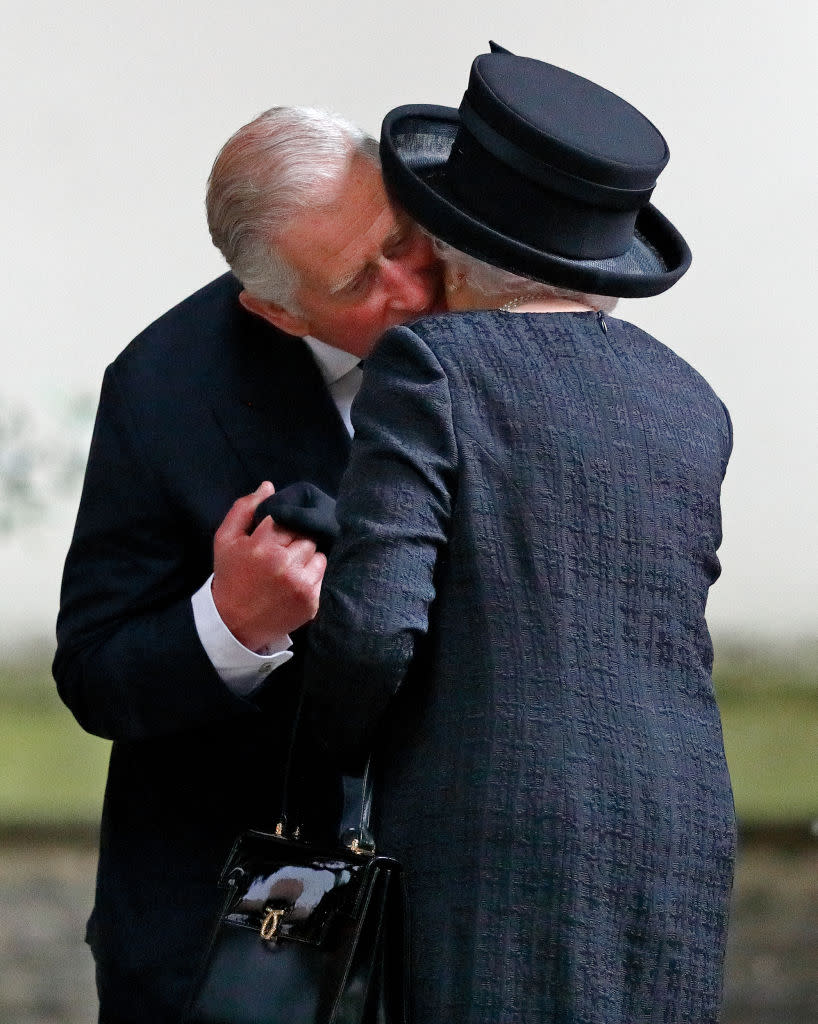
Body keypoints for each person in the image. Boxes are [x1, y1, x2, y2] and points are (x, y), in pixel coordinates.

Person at [304, 47, 735, 1023]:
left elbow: (372, 629)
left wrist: (320, 747)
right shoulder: (688, 400)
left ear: (455, 242)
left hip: (494, 836)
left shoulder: (431, 366)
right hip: (675, 823)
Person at [53, 106, 443, 1021]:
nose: (411, 285)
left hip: (460, 892)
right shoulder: (163, 390)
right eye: (360, 279)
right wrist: (232, 623)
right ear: (275, 309)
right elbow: (95, 673)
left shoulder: (471, 267)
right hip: (248, 923)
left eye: (401, 239)